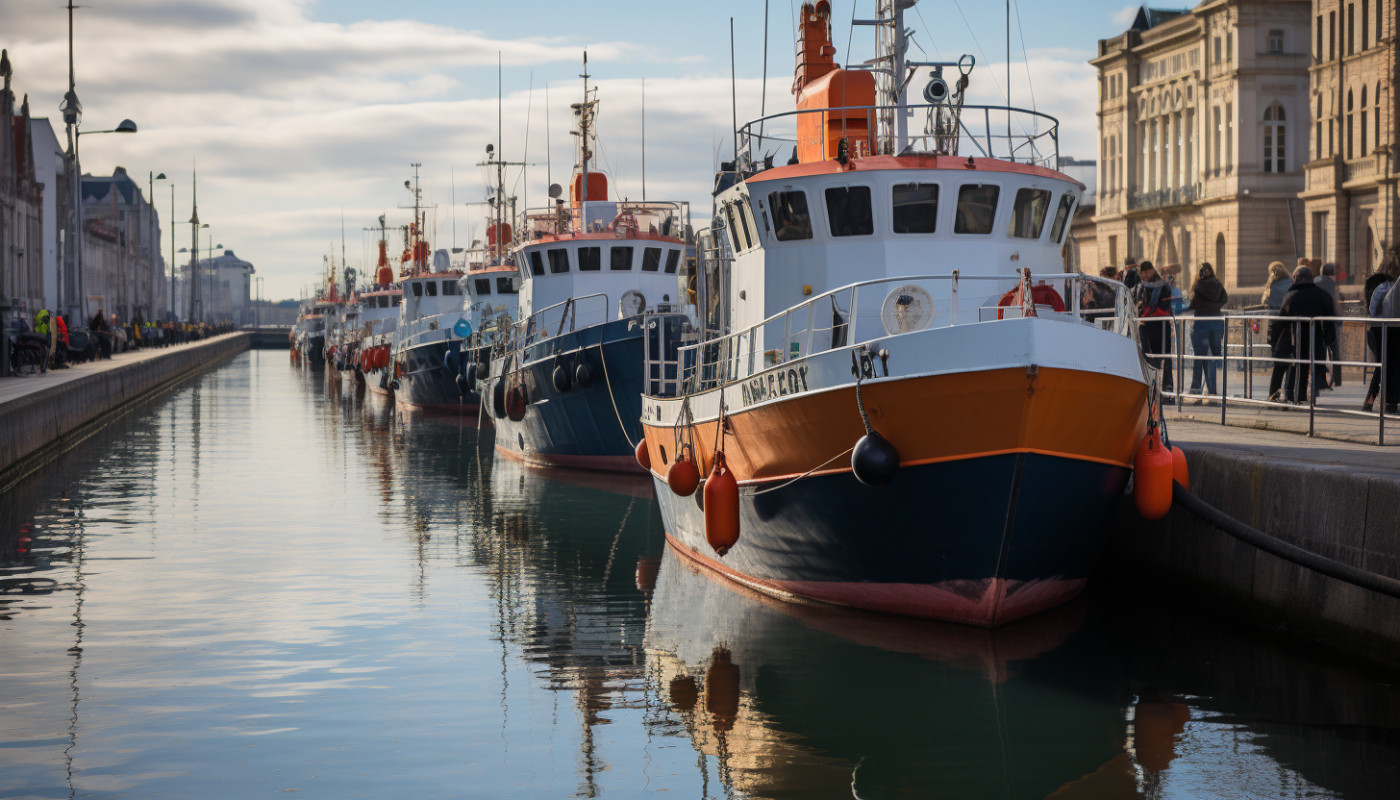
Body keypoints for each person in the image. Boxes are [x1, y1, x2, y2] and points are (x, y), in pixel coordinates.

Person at [1269, 266, 1336, 403]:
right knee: (1310, 365)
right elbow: (1330, 319)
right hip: (1315, 335)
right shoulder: (1321, 294)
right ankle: (1306, 397)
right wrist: (1329, 339)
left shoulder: (1292, 294)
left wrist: (1274, 339)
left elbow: (1282, 319)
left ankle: (1288, 395)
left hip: (1295, 335)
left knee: (1293, 365)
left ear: (1298, 277)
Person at [1364, 251, 1400, 413]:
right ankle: (1388, 400)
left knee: (1382, 364)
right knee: (1391, 364)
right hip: (1393, 328)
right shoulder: (1387, 286)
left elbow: (1372, 308)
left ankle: (1373, 398)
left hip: (1379, 328)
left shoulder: (1379, 286)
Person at [1187, 263, 1229, 400]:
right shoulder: (1218, 284)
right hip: (1216, 322)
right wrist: (1215, 306)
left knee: (1199, 358)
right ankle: (1212, 391)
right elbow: (1225, 299)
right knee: (1211, 359)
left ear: (1201, 273)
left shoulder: (1199, 285)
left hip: (1201, 323)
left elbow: (1193, 304)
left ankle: (1195, 389)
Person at [1137, 260, 1175, 392]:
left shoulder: (1163, 286)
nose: (1145, 275)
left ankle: (1166, 387)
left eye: (1147, 272)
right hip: (1147, 326)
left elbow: (1165, 307)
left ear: (1152, 270)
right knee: (1148, 357)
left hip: (1160, 325)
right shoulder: (1143, 286)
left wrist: (1148, 311)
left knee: (1164, 356)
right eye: (1143, 273)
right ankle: (1151, 385)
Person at [1314, 263, 1342, 388]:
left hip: (1319, 319)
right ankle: (1337, 378)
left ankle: (1321, 379)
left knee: (1321, 350)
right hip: (1331, 318)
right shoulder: (1333, 283)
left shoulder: (1316, 281)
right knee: (1335, 350)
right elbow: (1335, 301)